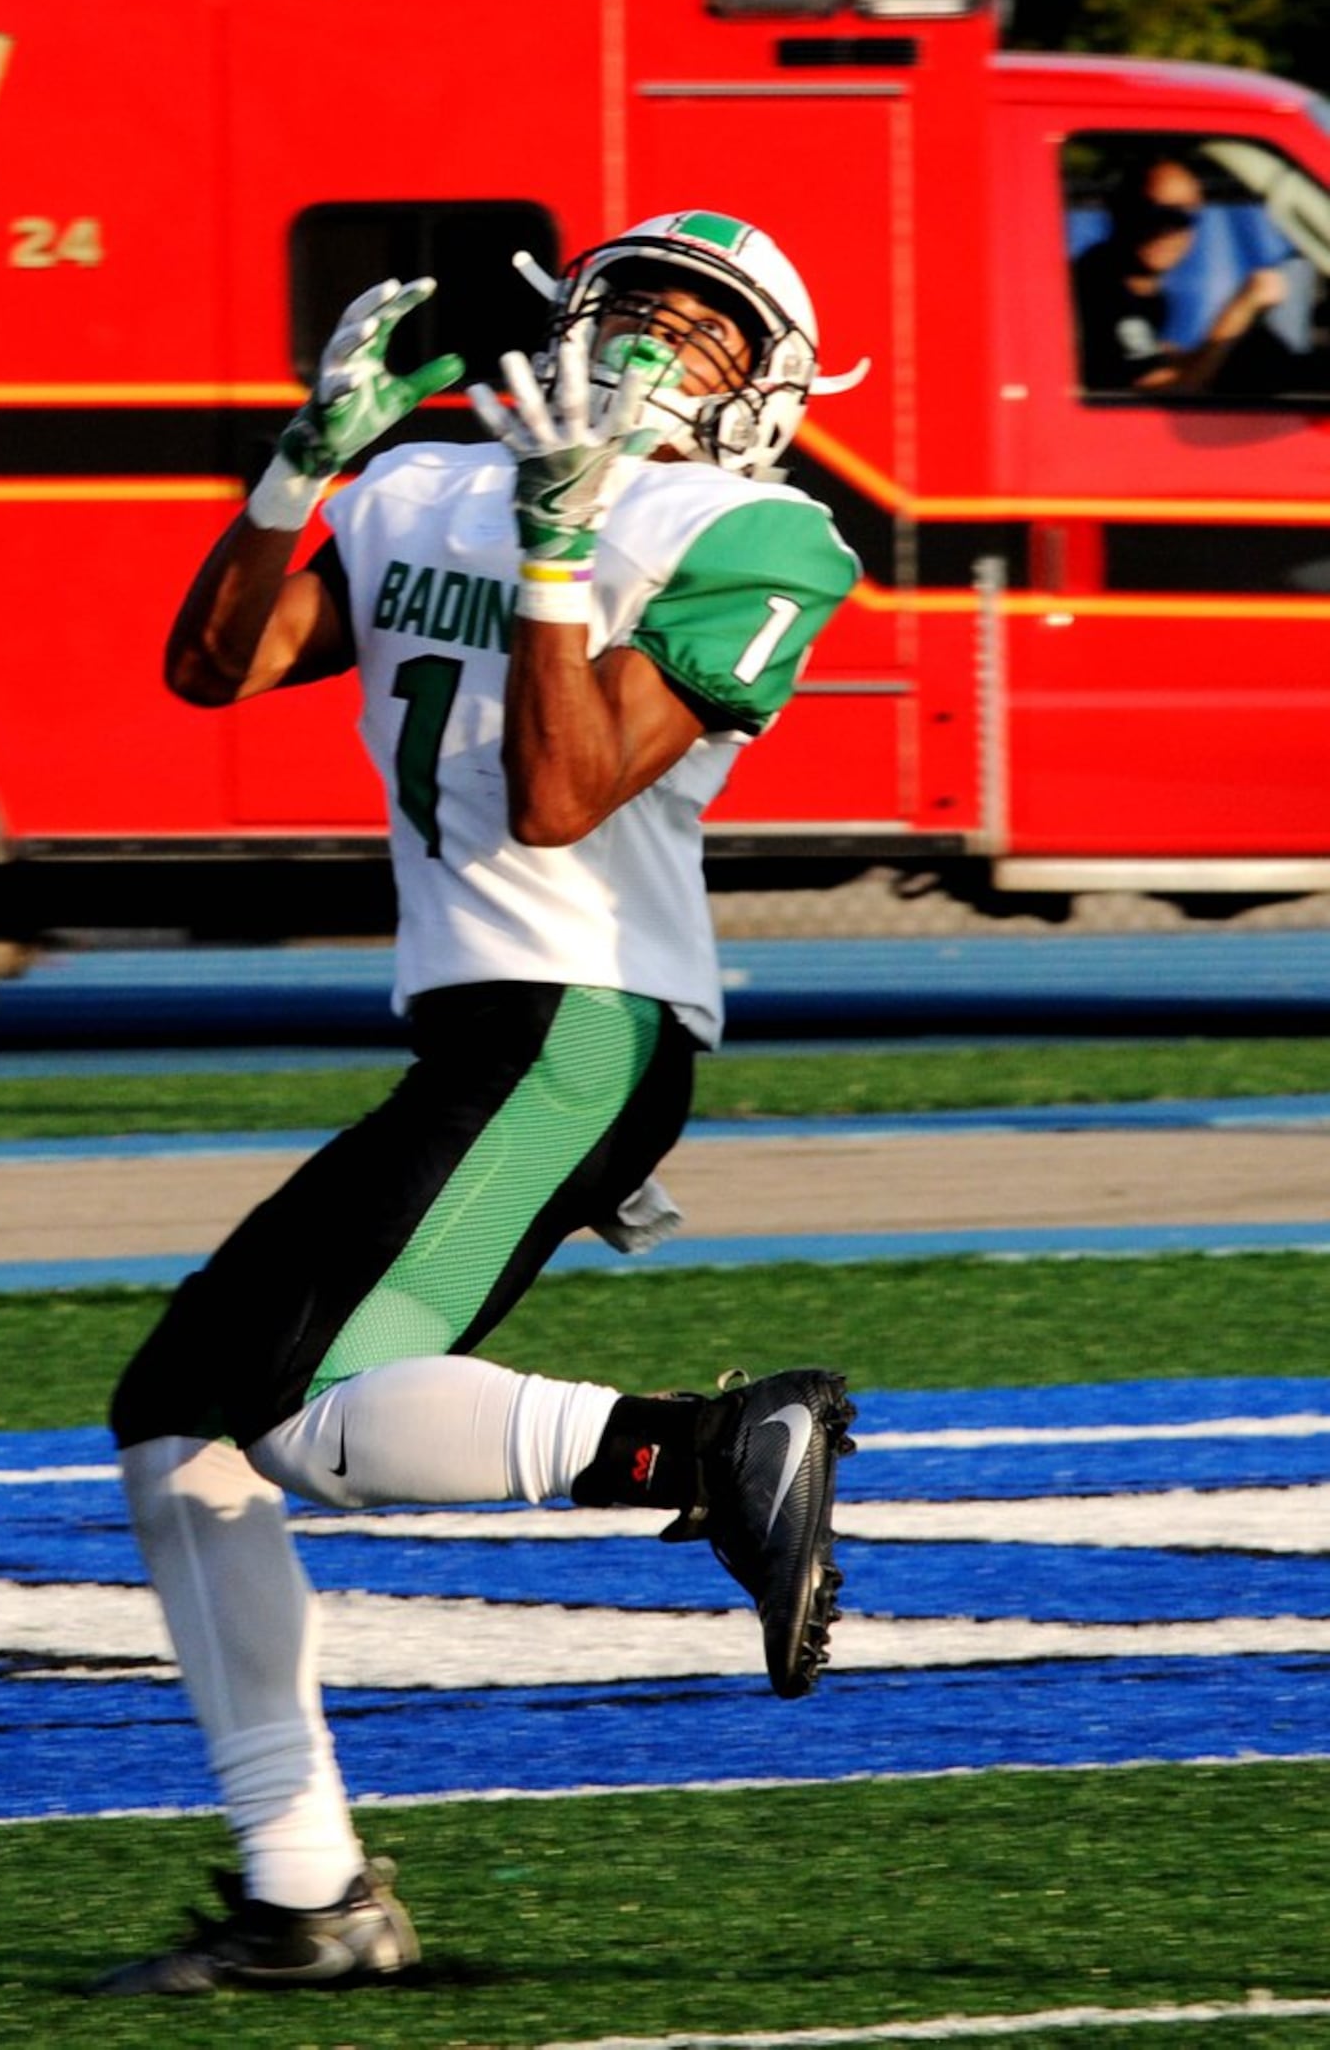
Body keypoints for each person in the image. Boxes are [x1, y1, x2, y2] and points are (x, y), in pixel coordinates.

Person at [93, 209, 865, 2000]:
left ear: (768, 394)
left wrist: (556, 558)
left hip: (590, 1028)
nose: (666, 342)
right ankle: (309, 1894)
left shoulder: (753, 530)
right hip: (486, 1032)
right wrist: (302, 466)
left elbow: (560, 793)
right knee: (178, 1424)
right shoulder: (430, 483)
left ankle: (708, 1450)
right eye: (643, 304)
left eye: (714, 330)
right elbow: (216, 664)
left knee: (284, 1414)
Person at [1071, 154, 1285, 396]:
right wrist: (1240, 310)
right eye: (1149, 211)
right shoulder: (1098, 288)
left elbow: (1159, 362)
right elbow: (1168, 396)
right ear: (1119, 211)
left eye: (1181, 218)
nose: (1164, 229)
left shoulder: (1144, 294)